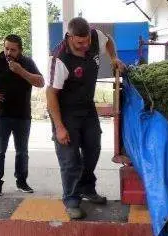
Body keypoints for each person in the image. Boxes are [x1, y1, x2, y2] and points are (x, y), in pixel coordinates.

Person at [47, 17, 125, 220]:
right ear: (70, 36)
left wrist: (113, 58)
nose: (85, 45)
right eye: (80, 42)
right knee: (70, 159)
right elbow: (51, 94)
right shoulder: (60, 58)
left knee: (93, 149)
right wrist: (59, 127)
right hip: (65, 111)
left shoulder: (95, 36)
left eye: (87, 41)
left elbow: (108, 40)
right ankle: (72, 200)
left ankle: (87, 188)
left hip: (87, 107)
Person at [0, 34, 45, 196]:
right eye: (6, 48)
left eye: (13, 50)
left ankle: (21, 181)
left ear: (20, 50)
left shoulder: (27, 63)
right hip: (1, 116)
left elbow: (40, 82)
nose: (9, 52)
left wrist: (21, 71)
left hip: (23, 115)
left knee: (22, 151)